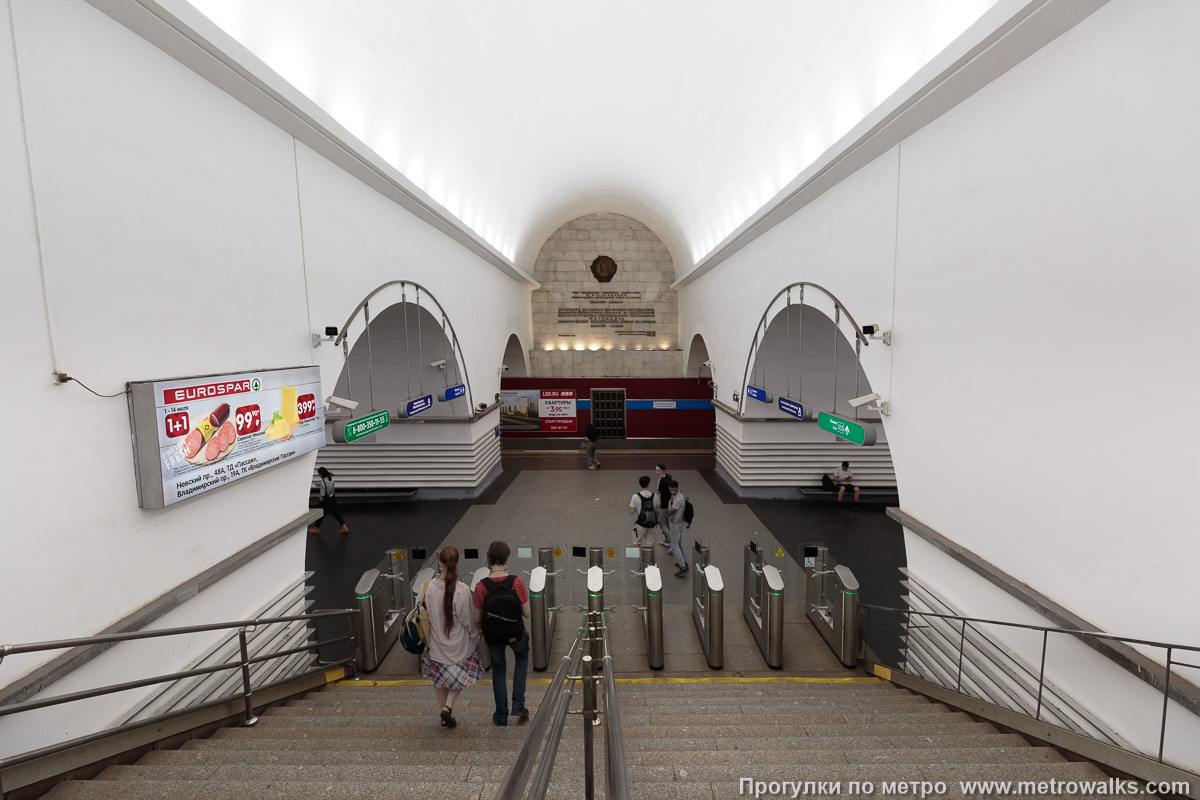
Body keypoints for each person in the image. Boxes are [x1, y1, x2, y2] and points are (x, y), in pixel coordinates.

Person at [420, 546, 482, 728]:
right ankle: (447, 707)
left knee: (440, 680)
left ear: (440, 563)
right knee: (464, 673)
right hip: (458, 645)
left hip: (436, 644)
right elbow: (467, 621)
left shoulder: (428, 587)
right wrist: (475, 634)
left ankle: (445, 716)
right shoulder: (462, 590)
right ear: (458, 563)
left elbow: (421, 611)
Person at [472, 540, 531, 726]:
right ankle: (518, 705)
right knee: (521, 659)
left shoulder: (481, 586)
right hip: (515, 632)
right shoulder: (517, 582)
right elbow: (527, 613)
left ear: (489, 559)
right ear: (506, 558)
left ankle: (501, 715)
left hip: (494, 635)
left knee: (499, 670)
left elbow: (475, 618)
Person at [308, 467, 349, 534]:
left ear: (321, 474)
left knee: (320, 514)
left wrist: (321, 500)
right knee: (336, 513)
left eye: (318, 473)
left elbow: (322, 493)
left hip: (326, 499)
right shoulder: (330, 479)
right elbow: (329, 486)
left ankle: (316, 529)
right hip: (333, 497)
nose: (318, 474)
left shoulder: (323, 481)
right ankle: (344, 527)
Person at [665, 480, 689, 578]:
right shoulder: (679, 495)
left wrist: (669, 503)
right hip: (680, 522)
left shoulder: (678, 498)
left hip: (676, 523)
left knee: (674, 545)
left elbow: (670, 511)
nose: (672, 492)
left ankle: (683, 567)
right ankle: (683, 562)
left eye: (674, 490)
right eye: (671, 490)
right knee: (679, 542)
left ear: (678, 488)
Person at [629, 476, 658, 545]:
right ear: (648, 484)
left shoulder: (635, 496)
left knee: (637, 543)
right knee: (649, 544)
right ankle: (648, 555)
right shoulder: (655, 496)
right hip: (652, 524)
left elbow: (632, 512)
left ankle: (638, 556)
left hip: (640, 524)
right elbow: (657, 510)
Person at [654, 464, 673, 547]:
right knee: (667, 522)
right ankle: (668, 540)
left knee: (662, 523)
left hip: (663, 505)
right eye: (656, 470)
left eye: (659, 471)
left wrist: (659, 479)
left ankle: (672, 539)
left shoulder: (662, 481)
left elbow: (657, 490)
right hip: (669, 503)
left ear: (663, 471)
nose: (657, 472)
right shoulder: (669, 477)